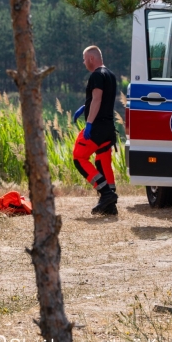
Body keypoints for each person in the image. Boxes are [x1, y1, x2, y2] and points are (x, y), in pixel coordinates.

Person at [73, 45, 119, 215]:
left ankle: (106, 193)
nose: (84, 62)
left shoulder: (96, 75)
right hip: (109, 128)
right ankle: (110, 205)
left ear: (91, 58)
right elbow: (101, 98)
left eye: (84, 59)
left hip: (98, 127)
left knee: (79, 157)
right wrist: (85, 106)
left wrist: (89, 123)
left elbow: (98, 99)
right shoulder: (110, 75)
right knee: (102, 161)